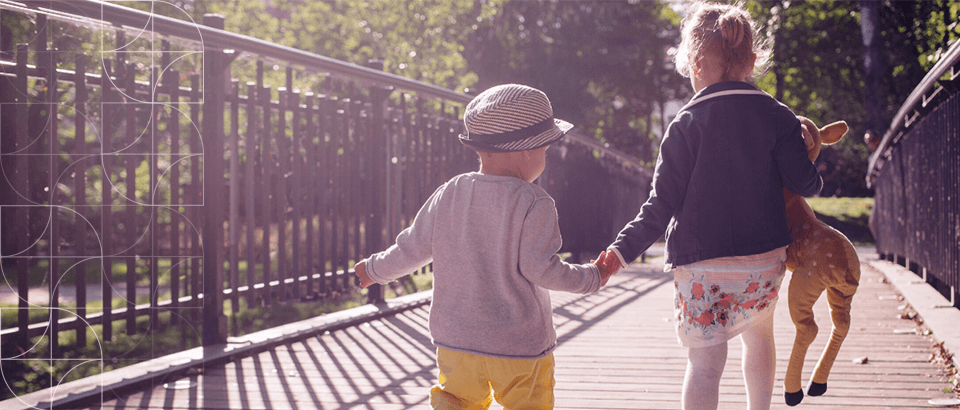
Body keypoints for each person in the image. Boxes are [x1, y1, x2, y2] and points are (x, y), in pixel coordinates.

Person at [596, 3, 823, 410]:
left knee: (704, 366)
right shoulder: (778, 117)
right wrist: (808, 153)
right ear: (752, 61)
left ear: (696, 64)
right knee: (759, 338)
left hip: (702, 268)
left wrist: (619, 253)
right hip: (761, 262)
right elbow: (805, 184)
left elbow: (660, 205)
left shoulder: (685, 123)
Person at [354, 83, 616, 410]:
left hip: (457, 342)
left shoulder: (450, 193)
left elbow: (412, 248)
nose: (545, 158)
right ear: (528, 150)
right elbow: (542, 270)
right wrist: (593, 276)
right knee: (528, 404)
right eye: (545, 150)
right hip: (518, 345)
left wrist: (373, 270)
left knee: (456, 402)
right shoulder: (534, 202)